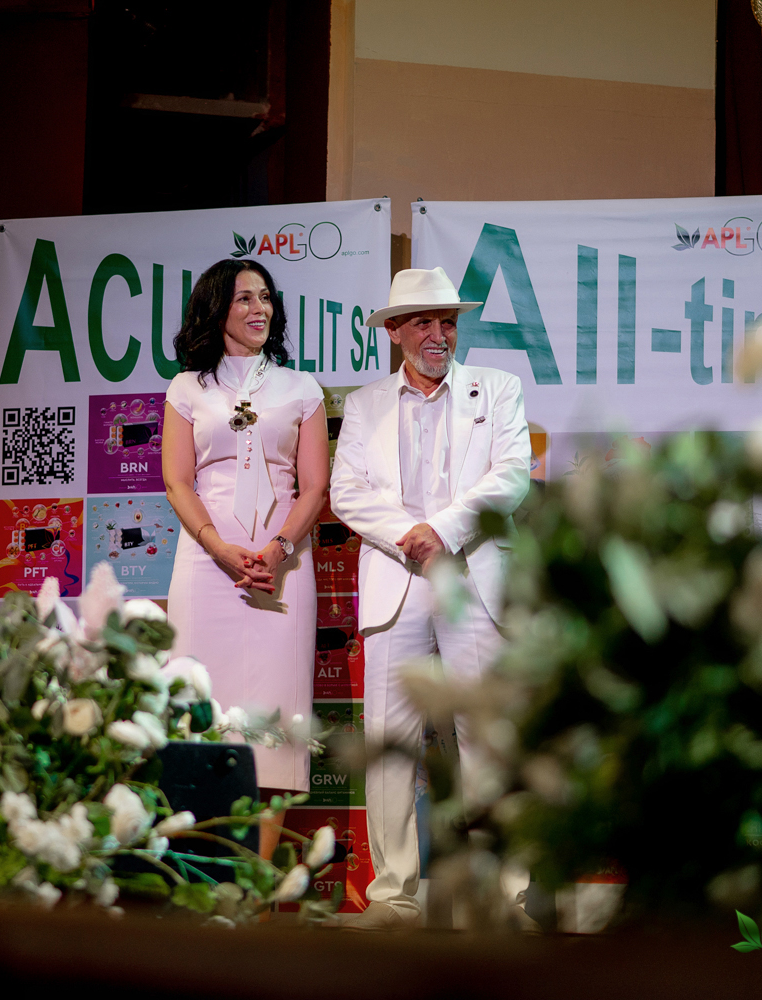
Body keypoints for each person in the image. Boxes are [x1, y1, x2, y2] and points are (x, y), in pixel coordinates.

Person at [328, 266, 531, 930]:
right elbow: (346, 491)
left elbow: (512, 476)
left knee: (488, 739)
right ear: (394, 332)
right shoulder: (365, 404)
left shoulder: (497, 388)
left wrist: (440, 530)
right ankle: (393, 898)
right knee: (390, 742)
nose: (438, 334)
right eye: (422, 322)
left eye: (447, 321)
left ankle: (505, 899)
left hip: (474, 576)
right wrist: (410, 538)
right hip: (397, 578)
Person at [163, 259, 330, 862]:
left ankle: (254, 894)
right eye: (244, 299)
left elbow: (314, 486)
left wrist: (279, 550)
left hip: (281, 570)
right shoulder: (187, 388)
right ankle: (205, 887)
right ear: (216, 310)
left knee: (275, 731)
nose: (259, 309)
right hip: (205, 568)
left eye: (266, 298)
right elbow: (177, 482)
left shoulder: (302, 388)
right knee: (199, 724)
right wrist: (218, 547)